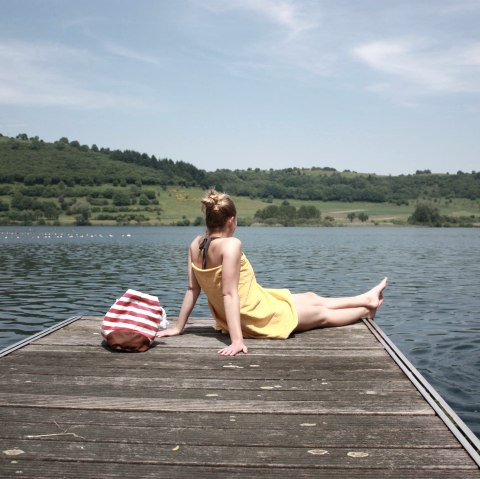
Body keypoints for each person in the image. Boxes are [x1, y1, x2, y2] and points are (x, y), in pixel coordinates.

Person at [157, 189, 388, 356]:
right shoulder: (231, 245)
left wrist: (179, 327)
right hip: (255, 316)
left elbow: (192, 289)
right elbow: (229, 294)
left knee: (311, 297)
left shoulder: (195, 243)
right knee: (321, 315)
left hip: (257, 302)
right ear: (231, 220)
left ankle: (365, 298)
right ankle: (365, 311)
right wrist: (237, 340)